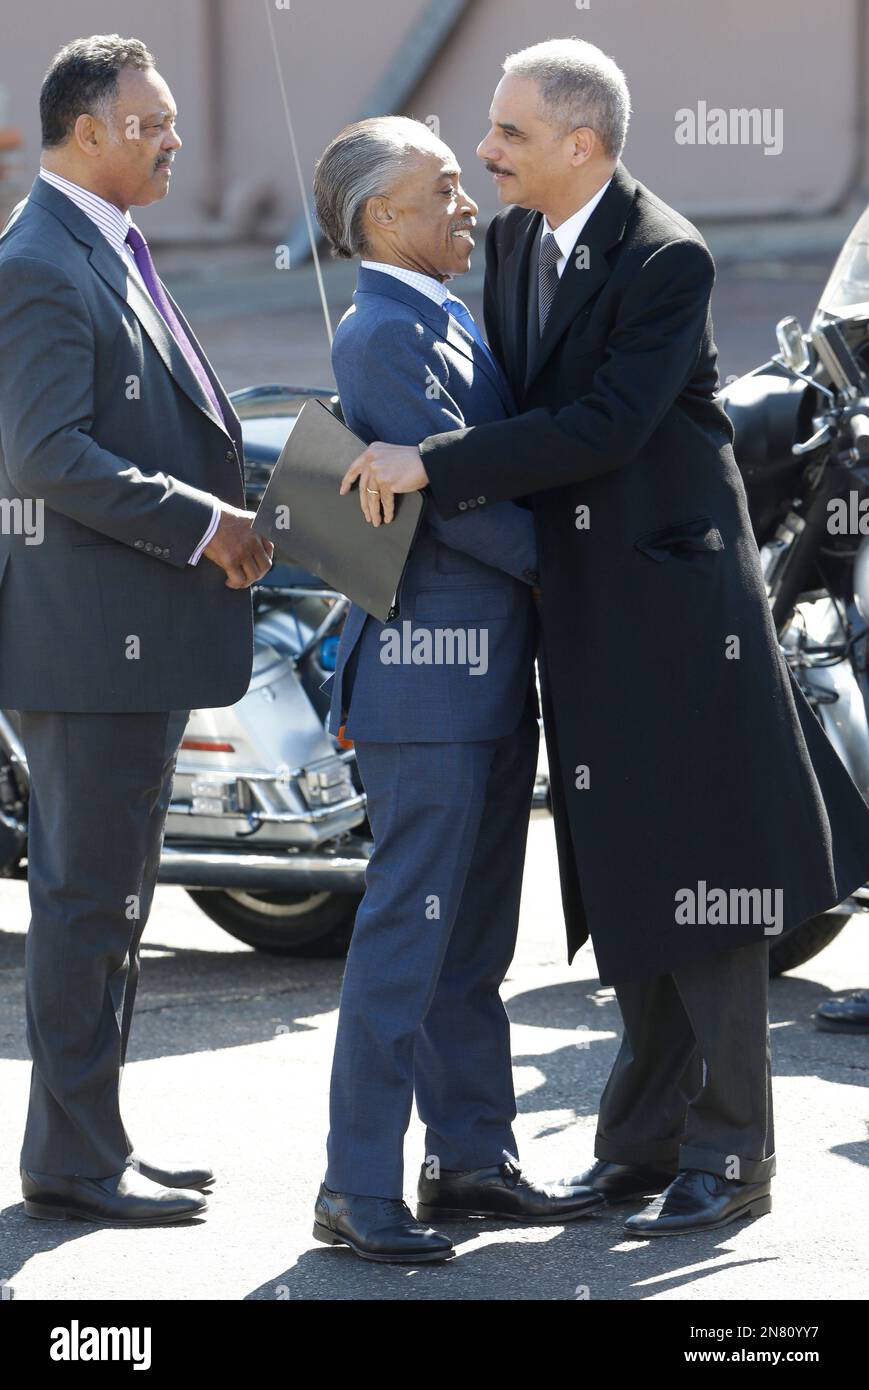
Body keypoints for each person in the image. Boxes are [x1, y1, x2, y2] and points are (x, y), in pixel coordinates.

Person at [340, 38, 869, 1237]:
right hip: (580, 610)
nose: (485, 153)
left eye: (509, 134)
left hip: (676, 616)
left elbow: (601, 424)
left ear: (581, 142)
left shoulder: (665, 253)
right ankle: (639, 1145)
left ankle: (731, 1154)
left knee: (711, 882)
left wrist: (432, 460)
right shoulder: (521, 238)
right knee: (634, 878)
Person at [310, 116, 600, 1264]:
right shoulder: (379, 331)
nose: (468, 201)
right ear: (384, 216)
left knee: (470, 940)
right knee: (405, 939)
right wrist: (574, 582)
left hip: (480, 687)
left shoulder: (437, 312)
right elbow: (461, 496)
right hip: (424, 696)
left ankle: (471, 1159)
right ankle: (353, 1184)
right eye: (443, 187)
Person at [0, 35, 272, 1226]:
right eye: (151, 122)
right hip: (82, 642)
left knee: (111, 900)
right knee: (84, 902)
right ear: (88, 131)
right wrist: (203, 521)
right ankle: (70, 1163)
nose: (172, 138)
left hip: (125, 638)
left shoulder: (93, 243)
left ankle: (90, 1141)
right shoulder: (38, 263)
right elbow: (45, 455)